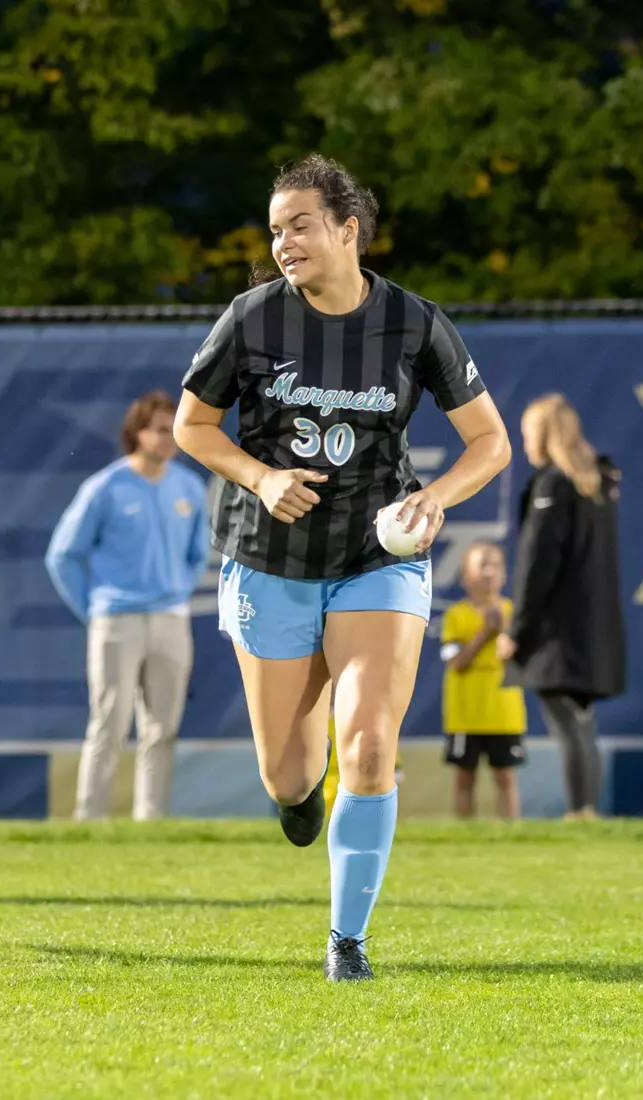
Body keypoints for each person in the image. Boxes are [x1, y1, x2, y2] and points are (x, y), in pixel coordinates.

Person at [173, 154, 511, 981]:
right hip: (271, 560)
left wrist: (435, 498)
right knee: (289, 774)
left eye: (300, 225)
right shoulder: (254, 317)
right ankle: (298, 798)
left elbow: (491, 443)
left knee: (367, 746)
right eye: (275, 229)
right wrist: (261, 477)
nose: (283, 242)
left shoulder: (414, 322)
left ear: (347, 229)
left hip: (374, 559)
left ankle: (346, 941)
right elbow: (192, 426)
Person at [44, 392, 209, 821]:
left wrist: (178, 589)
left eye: (173, 429)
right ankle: (89, 818)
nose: (169, 438)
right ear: (137, 433)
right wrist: (95, 609)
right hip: (116, 620)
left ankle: (149, 819)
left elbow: (198, 555)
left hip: (172, 620)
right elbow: (63, 555)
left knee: (162, 728)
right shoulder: (105, 487)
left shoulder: (189, 487)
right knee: (109, 724)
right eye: (160, 429)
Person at [509, 393, 626, 820]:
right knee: (581, 719)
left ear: (543, 435)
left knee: (566, 722)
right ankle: (586, 808)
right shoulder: (595, 484)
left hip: (557, 632)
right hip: (593, 628)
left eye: (528, 434)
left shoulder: (554, 485)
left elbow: (537, 565)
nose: (525, 443)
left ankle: (581, 810)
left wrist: (517, 631)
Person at [441, 541, 528, 819]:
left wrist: (507, 640)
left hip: (504, 712)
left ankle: (511, 832)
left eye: (496, 566)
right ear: (466, 576)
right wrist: (484, 635)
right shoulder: (456, 615)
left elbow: (523, 659)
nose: (489, 572)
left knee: (505, 776)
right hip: (465, 713)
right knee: (464, 777)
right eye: (482, 566)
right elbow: (455, 662)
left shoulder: (514, 613)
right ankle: (464, 833)